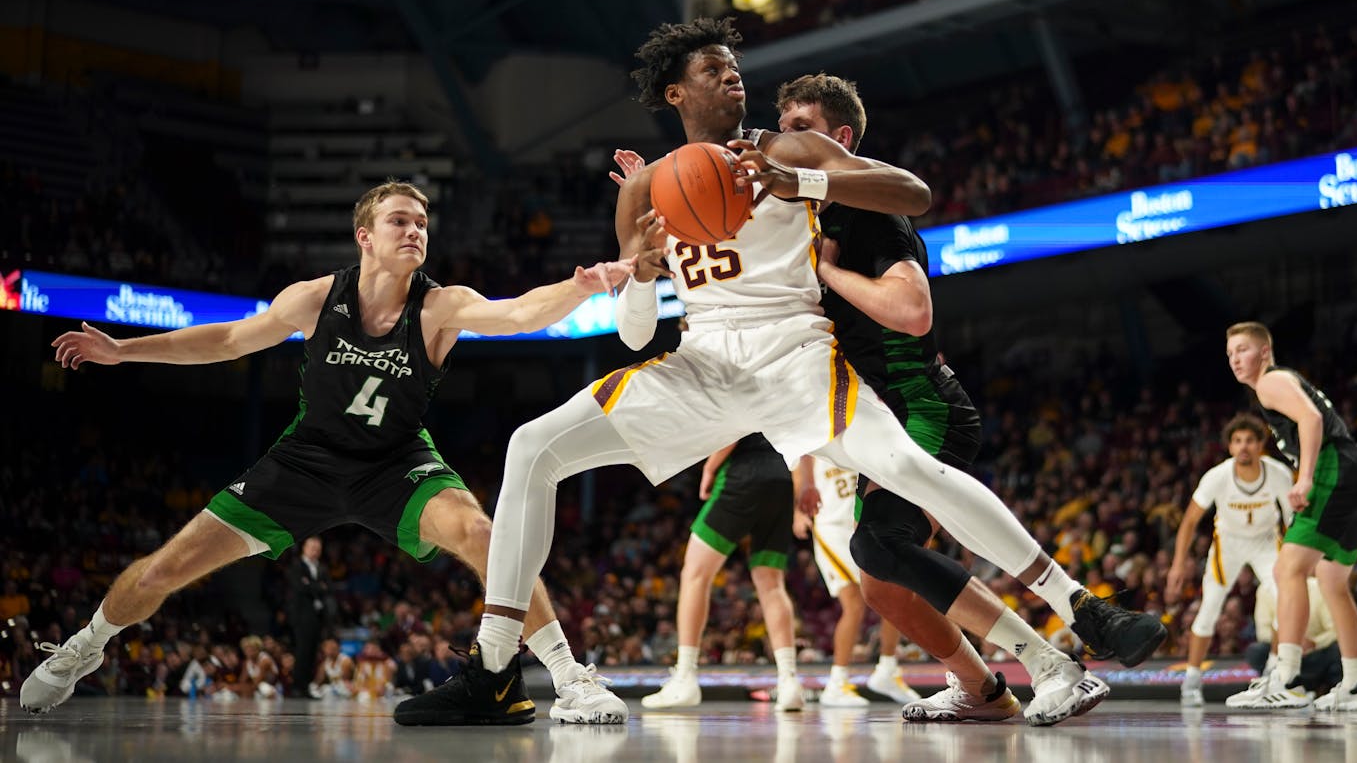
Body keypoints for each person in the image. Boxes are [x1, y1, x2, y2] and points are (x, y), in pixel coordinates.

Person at [396, 17, 1159, 728]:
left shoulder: (787, 150)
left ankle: (1077, 609)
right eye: (714, 70)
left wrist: (809, 185)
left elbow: (916, 193)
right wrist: (640, 273)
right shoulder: (644, 185)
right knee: (533, 445)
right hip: (704, 359)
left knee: (905, 467)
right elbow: (633, 335)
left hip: (796, 350)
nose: (734, 80)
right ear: (675, 93)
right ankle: (498, 666)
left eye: (735, 69)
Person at [22, 181, 635, 726]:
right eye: (400, 220)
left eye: (422, 222)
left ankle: (567, 675)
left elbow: (517, 314)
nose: (415, 231)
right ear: (364, 236)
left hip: (396, 462)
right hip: (305, 461)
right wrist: (126, 352)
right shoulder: (316, 298)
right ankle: (88, 643)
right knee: (163, 571)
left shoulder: (439, 305)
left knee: (482, 531)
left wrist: (578, 288)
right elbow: (229, 340)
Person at [774, 72, 1127, 723]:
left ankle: (1056, 667)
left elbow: (910, 311)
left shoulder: (869, 211)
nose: (785, 141)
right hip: (876, 418)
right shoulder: (810, 218)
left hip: (923, 407)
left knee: (877, 549)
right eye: (782, 128)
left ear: (841, 139)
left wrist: (828, 273)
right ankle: (981, 690)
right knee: (882, 587)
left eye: (801, 129)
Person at [1221, 321, 1357, 711]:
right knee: (1331, 579)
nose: (1235, 359)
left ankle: (1287, 678)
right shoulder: (1278, 384)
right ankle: (1356, 685)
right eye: (1229, 354)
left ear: (1263, 351)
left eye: (1241, 350)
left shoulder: (1270, 381)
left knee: (1287, 568)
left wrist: (1305, 477)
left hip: (1334, 468)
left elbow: (1311, 420)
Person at [642, 434, 807, 711]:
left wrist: (709, 468)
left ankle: (685, 677)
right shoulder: (787, 389)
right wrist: (804, 487)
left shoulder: (747, 387)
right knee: (771, 584)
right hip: (782, 476)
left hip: (743, 472)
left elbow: (735, 427)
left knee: (695, 574)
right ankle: (789, 680)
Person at [1165, 413, 1294, 706]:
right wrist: (1177, 565)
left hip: (1266, 542)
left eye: (1250, 440)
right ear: (1230, 446)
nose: (1244, 446)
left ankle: (1274, 674)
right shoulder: (1217, 476)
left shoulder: (1278, 474)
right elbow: (1188, 522)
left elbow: (1293, 520)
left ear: (1261, 444)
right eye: (1237, 441)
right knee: (1209, 609)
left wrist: (1296, 558)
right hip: (1229, 544)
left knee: (1284, 601)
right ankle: (1192, 681)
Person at [792, 456, 917, 707]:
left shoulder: (860, 426)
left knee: (896, 592)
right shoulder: (814, 432)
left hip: (863, 523)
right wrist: (797, 510)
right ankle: (836, 684)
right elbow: (798, 466)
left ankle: (888, 668)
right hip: (831, 526)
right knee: (854, 604)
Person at [287, 536, 333, 698]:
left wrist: (311, 585)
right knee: (302, 651)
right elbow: (300, 587)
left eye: (318, 548)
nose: (315, 551)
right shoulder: (297, 565)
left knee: (313, 652)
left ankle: (306, 685)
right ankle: (297, 686)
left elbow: (328, 588)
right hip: (302, 616)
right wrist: (317, 586)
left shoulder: (322, 568)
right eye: (312, 547)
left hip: (317, 616)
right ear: (304, 548)